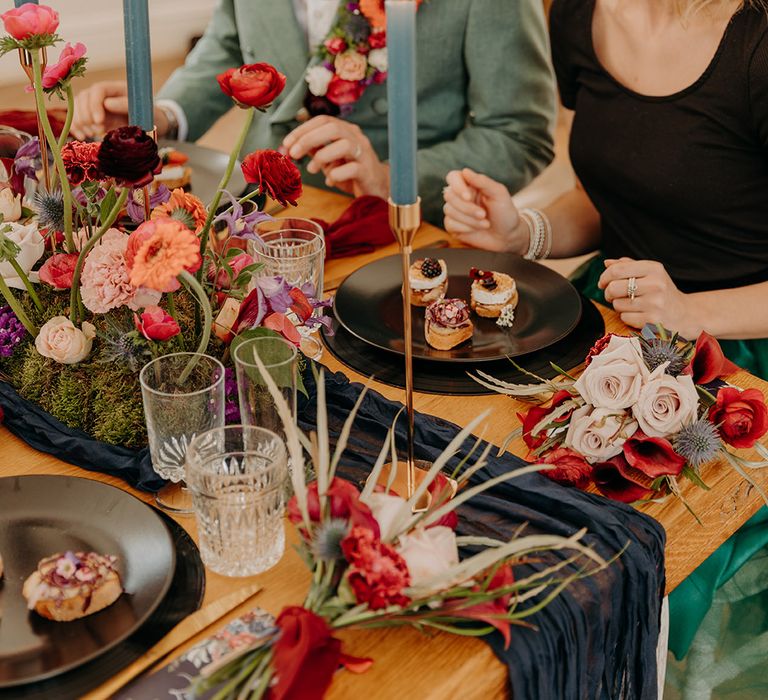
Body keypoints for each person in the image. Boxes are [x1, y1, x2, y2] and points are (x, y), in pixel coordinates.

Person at [443, 0, 768, 693]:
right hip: (610, 336)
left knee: (622, 569)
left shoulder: (758, 46)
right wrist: (520, 232)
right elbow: (622, 185)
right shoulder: (576, 17)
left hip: (743, 364)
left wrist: (688, 312)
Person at [71, 0, 557, 225]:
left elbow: (520, 135)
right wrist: (163, 114)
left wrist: (392, 179)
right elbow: (231, 47)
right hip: (254, 219)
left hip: (401, 235)